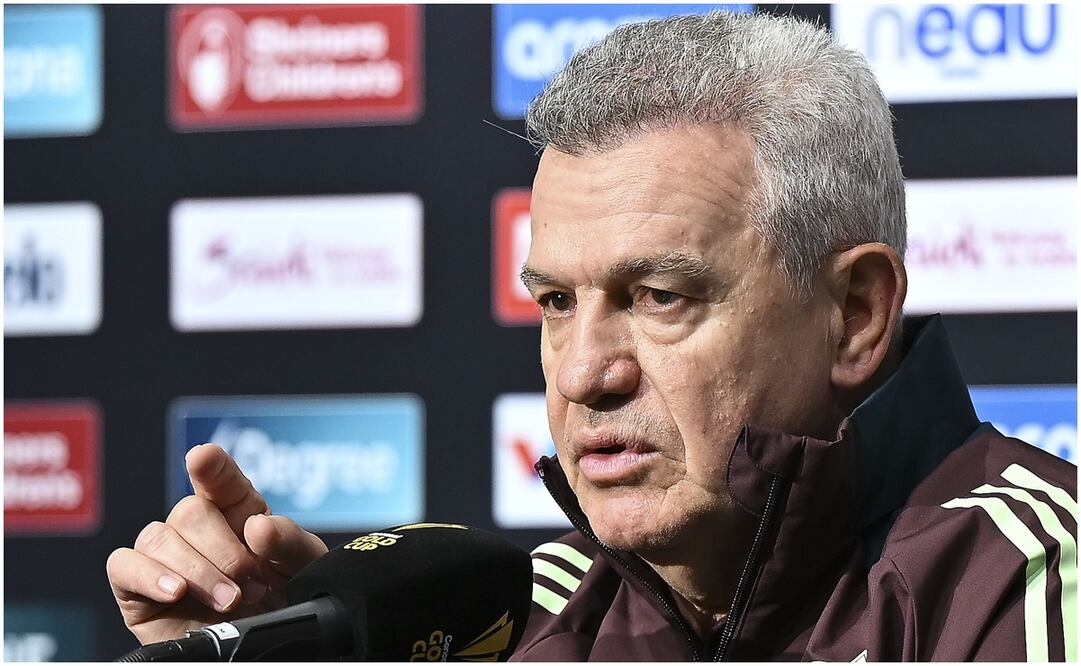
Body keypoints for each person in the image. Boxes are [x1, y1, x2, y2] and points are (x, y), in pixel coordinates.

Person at [107, 11, 1077, 661]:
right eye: (556, 302)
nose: (582, 374)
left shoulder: (1036, 591)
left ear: (856, 314)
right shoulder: (519, 614)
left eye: (658, 295)